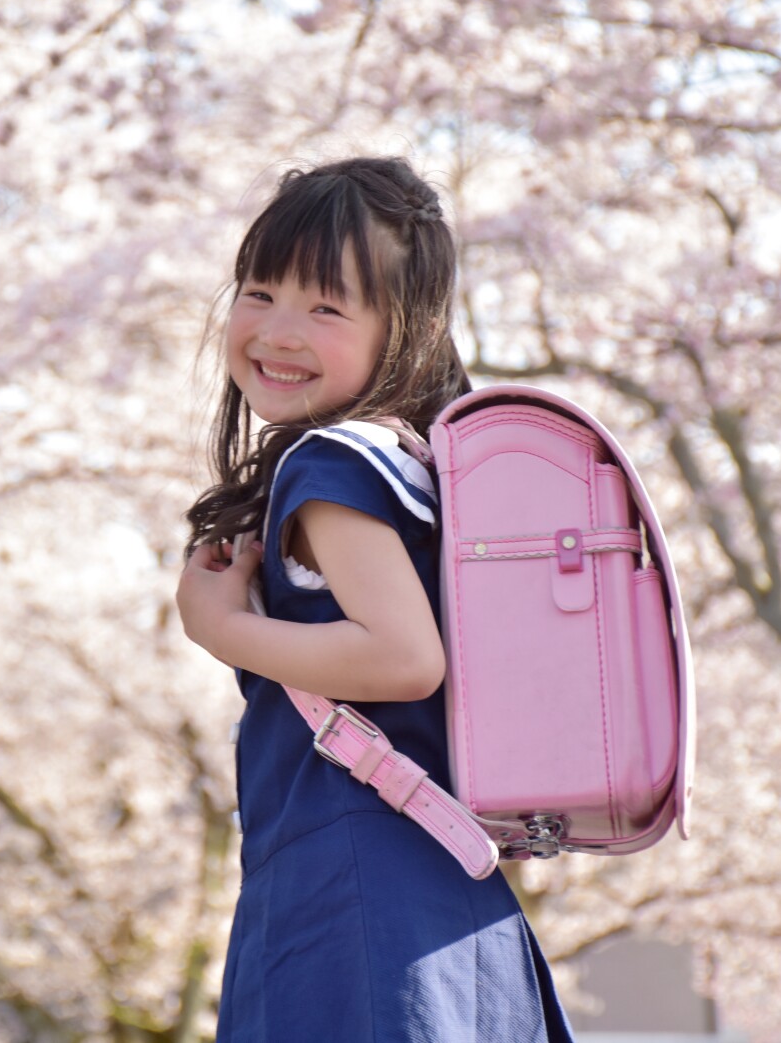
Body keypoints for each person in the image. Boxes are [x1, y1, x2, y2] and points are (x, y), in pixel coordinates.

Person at [177, 156, 574, 1041]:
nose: (279, 330)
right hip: (437, 885)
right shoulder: (421, 467)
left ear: (404, 330)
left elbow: (401, 656)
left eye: (326, 307)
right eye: (259, 290)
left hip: (352, 890)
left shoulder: (331, 465)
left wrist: (223, 626)